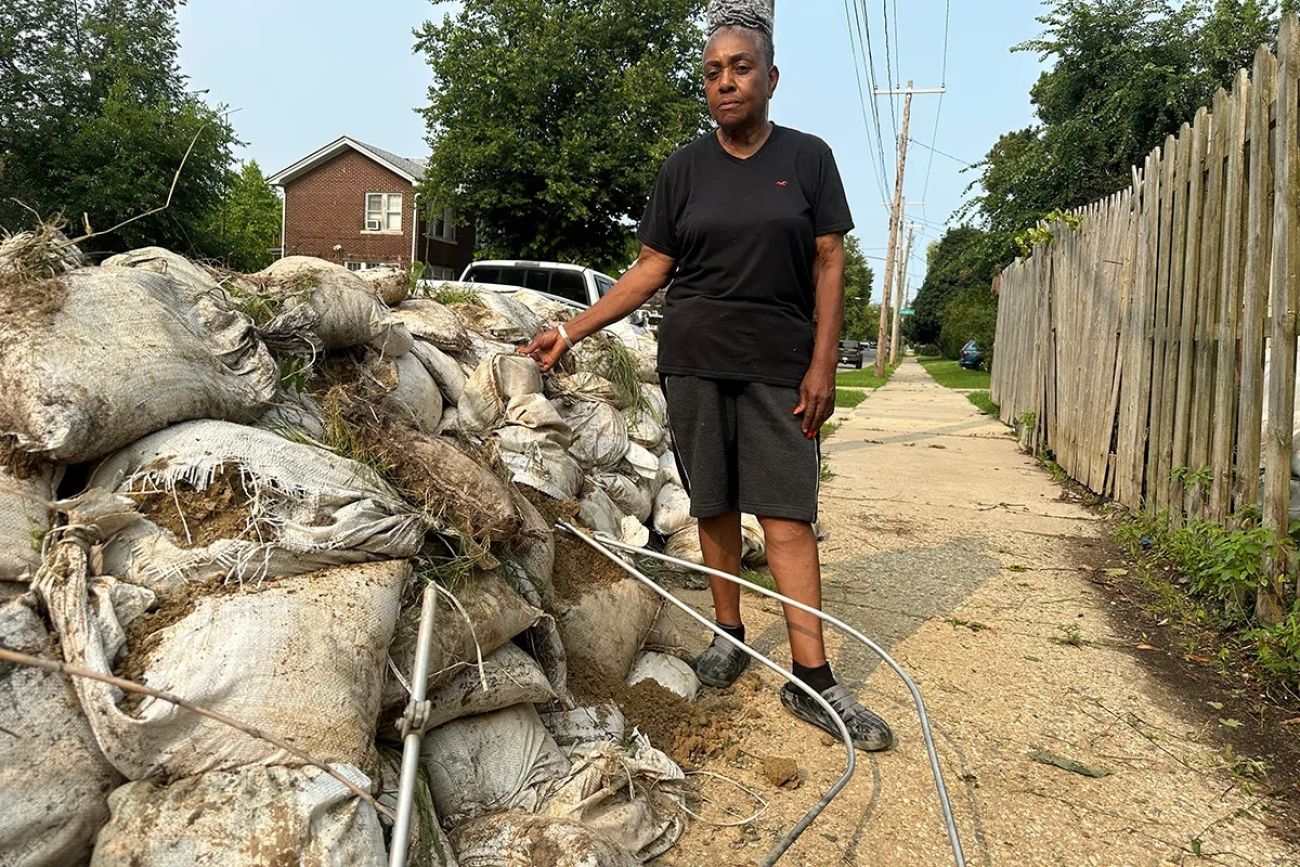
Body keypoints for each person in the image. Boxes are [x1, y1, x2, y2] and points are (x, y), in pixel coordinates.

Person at [520, 3, 893, 752]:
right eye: (714, 71)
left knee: (787, 514)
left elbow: (829, 263)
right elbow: (653, 269)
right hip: (694, 358)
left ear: (771, 76)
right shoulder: (684, 169)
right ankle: (728, 632)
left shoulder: (809, 158)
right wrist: (570, 329)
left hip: (782, 366)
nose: (726, 81)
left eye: (741, 67)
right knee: (714, 504)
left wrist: (825, 364)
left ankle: (812, 675)